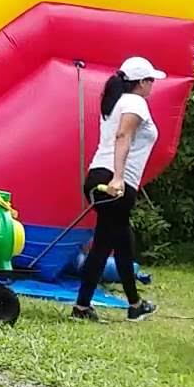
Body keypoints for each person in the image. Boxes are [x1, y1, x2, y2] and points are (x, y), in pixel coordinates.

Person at [71, 56, 164, 322]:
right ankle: (83, 307)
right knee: (106, 245)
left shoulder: (116, 103)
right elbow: (123, 135)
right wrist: (119, 179)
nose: (152, 86)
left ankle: (134, 304)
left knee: (119, 242)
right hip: (113, 180)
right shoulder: (135, 102)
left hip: (99, 175)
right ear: (140, 82)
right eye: (150, 80)